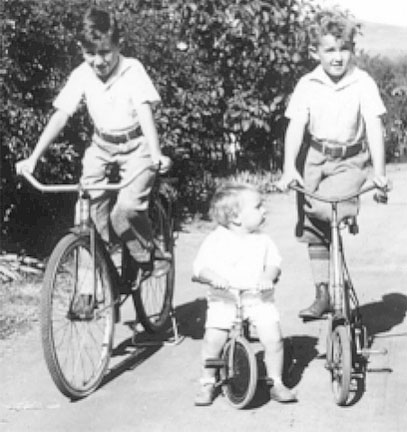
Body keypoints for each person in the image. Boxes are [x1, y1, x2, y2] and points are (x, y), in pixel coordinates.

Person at [15, 7, 171, 293]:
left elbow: (144, 112)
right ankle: (88, 290)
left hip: (138, 145)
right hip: (101, 146)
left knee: (125, 209)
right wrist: (33, 158)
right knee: (86, 215)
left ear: (118, 45)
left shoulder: (132, 69)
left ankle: (147, 254)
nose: (98, 62)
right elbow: (61, 115)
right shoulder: (81, 74)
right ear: (81, 50)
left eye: (105, 53)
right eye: (90, 54)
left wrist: (157, 152)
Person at [277, 8, 389, 319]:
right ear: (315, 52)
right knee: (314, 227)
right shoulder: (307, 84)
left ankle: (346, 211)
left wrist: (379, 173)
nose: (337, 57)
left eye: (344, 49)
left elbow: (374, 127)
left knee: (329, 208)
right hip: (314, 158)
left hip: (350, 158)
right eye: (330, 50)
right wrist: (290, 167)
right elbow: (296, 128)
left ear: (353, 50)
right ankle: (323, 292)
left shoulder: (362, 82)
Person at [192, 183, 296, 406]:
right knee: (213, 339)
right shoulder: (216, 240)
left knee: (274, 339)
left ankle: (276, 382)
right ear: (236, 217)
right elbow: (200, 267)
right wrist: (212, 277)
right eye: (258, 207)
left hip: (257, 298)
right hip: (225, 298)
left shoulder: (263, 240)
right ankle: (208, 382)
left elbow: (274, 264)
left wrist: (268, 276)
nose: (264, 210)